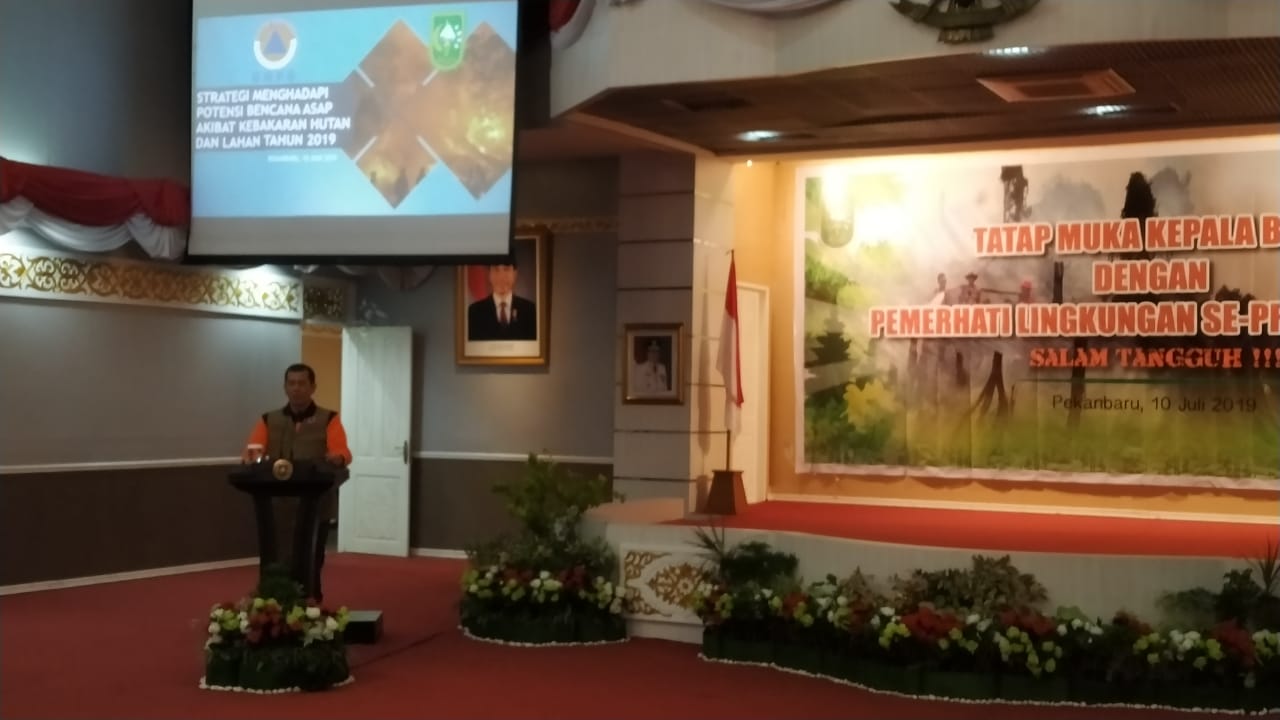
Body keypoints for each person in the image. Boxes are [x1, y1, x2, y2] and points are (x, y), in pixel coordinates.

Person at [241, 363, 352, 600]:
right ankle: (273, 603)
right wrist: (251, 460)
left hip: (315, 505)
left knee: (311, 559)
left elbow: (342, 452)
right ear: (285, 387)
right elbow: (252, 452)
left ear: (313, 387)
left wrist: (338, 458)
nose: (296, 388)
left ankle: (311, 604)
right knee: (277, 558)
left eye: (302, 383)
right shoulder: (269, 419)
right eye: (291, 383)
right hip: (276, 507)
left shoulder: (329, 419)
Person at [466, 257, 537, 341]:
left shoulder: (530, 310)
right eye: (496, 270)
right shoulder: (474, 312)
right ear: (489, 274)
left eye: (506, 269)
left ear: (515, 273)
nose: (501, 277)